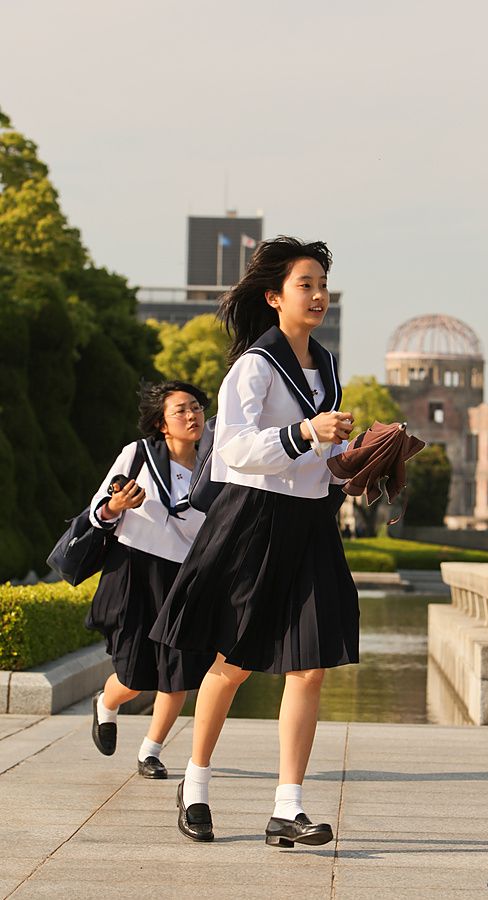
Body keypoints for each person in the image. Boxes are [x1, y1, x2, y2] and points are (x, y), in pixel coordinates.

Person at [150, 236, 359, 846]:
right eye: (306, 285)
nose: (318, 295)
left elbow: (322, 450)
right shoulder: (254, 365)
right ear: (274, 297)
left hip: (312, 522)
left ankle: (286, 809)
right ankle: (195, 783)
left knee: (310, 667)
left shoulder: (327, 365)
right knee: (234, 664)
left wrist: (357, 458)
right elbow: (234, 449)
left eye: (323, 285)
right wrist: (302, 433)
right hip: (256, 522)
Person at [88, 380, 213, 778]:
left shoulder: (216, 466)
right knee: (134, 674)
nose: (192, 415)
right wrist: (115, 505)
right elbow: (98, 510)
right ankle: (107, 703)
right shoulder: (137, 455)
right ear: (162, 423)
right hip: (134, 568)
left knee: (177, 670)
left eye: (196, 407)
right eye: (181, 410)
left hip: (184, 575)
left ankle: (151, 751)